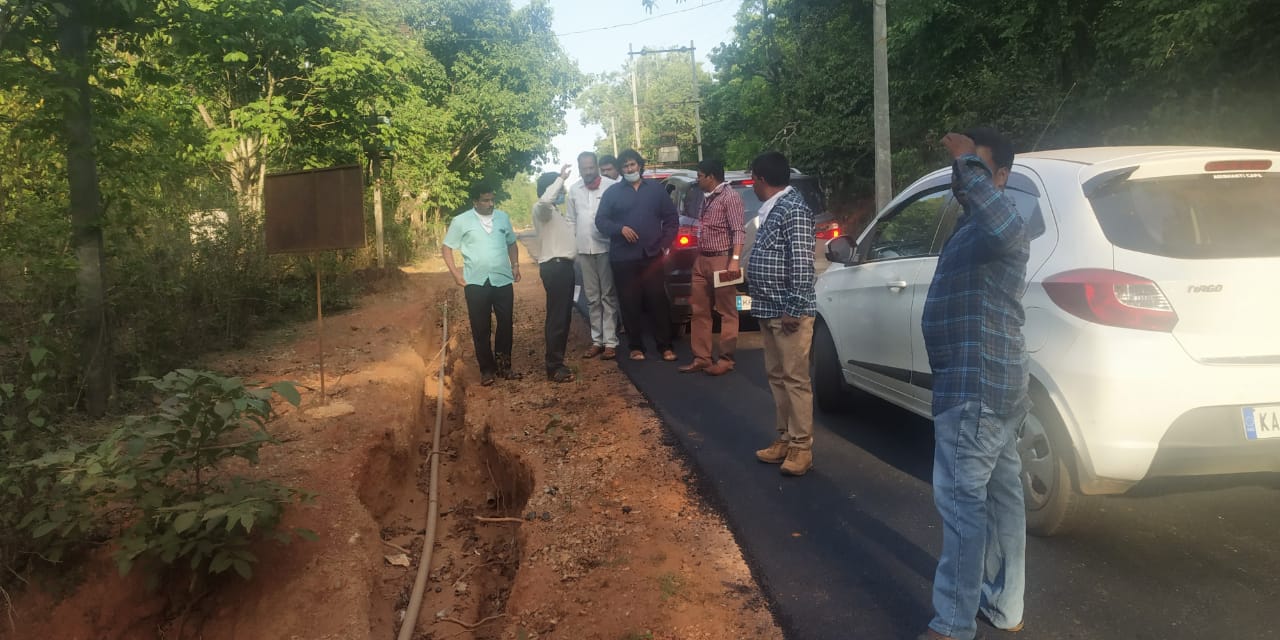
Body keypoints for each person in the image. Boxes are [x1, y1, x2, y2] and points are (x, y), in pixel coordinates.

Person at [918, 128, 1030, 640]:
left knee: (964, 509)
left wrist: (966, 159)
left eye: (979, 172)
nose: (965, 182)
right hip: (992, 389)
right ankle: (1005, 605)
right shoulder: (973, 226)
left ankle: (952, 626)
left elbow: (1005, 225)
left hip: (979, 392)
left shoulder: (1002, 223)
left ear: (999, 176)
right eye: (963, 175)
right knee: (1003, 498)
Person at [746, 151, 817, 477]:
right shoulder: (774, 209)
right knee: (777, 378)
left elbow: (803, 264)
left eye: (753, 179)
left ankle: (802, 448)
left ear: (760, 179)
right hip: (768, 308)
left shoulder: (794, 211)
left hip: (788, 312)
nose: (752, 185)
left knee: (794, 379)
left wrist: (793, 306)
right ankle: (785, 439)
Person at [594, 148, 679, 362]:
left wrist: (665, 243)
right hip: (623, 257)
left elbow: (671, 219)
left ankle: (665, 346)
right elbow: (601, 221)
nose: (630, 169)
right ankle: (635, 346)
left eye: (632, 165)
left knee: (657, 300)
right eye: (625, 166)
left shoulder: (656, 191)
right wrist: (619, 229)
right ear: (620, 170)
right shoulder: (612, 193)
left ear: (639, 165)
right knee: (629, 302)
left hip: (651, 255)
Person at [442, 184, 523, 387]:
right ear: (475, 202)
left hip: (502, 279)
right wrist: (455, 274)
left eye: (492, 200)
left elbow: (512, 243)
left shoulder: (502, 217)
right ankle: (487, 370)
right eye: (485, 200)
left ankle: (505, 366)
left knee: (505, 324)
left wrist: (515, 265)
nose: (490, 204)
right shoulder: (461, 221)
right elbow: (447, 248)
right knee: (481, 327)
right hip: (475, 282)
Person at [679, 159, 745, 376]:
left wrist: (734, 259)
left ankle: (726, 359)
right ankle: (702, 357)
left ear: (711, 177)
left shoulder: (730, 197)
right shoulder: (706, 198)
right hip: (702, 260)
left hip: (723, 260)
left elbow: (738, 231)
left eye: (699, 176)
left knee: (727, 311)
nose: (697, 180)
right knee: (699, 310)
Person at [565, 151, 621, 360]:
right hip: (584, 250)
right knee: (591, 297)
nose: (588, 172)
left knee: (607, 295)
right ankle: (597, 340)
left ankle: (611, 342)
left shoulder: (610, 186)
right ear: (579, 169)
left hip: (606, 248)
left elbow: (618, 215)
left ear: (596, 166)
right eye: (584, 169)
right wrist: (573, 249)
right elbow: (571, 220)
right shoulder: (574, 190)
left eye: (591, 167)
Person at [532, 165, 577, 383]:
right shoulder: (543, 210)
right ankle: (554, 367)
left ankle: (558, 362)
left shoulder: (555, 214)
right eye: (560, 189)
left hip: (564, 267)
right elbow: (544, 201)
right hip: (555, 267)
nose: (563, 193)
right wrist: (560, 178)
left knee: (563, 316)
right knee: (557, 317)